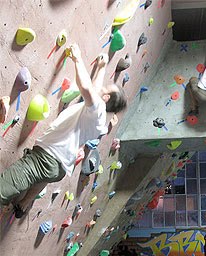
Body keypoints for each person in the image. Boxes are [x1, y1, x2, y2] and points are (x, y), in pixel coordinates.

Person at [0, 44, 127, 218]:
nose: (103, 88)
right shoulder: (101, 119)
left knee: (5, 186)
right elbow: (96, 91)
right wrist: (101, 68)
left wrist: (77, 58)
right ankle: (24, 204)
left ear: (105, 99)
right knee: (40, 179)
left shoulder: (97, 111)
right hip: (59, 167)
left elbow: (89, 90)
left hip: (46, 158)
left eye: (106, 90)